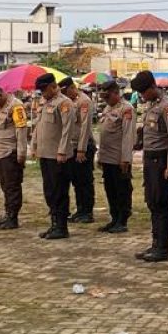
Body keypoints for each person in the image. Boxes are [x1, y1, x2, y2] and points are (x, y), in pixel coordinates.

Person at [132, 70, 168, 262]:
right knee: (152, 202)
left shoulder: (167, 108)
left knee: (161, 204)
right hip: (150, 160)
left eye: (144, 92)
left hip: (161, 161)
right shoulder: (152, 106)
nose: (142, 96)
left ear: (153, 87)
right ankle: (155, 243)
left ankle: (162, 247)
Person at [30, 73, 76, 240]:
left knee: (59, 191)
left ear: (52, 86)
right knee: (49, 191)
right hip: (45, 154)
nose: (42, 94)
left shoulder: (64, 103)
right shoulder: (44, 102)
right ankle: (54, 223)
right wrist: (34, 145)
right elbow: (38, 126)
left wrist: (62, 151)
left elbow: (67, 129)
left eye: (44, 90)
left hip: (58, 156)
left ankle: (61, 227)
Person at [0, 82, 28, 229]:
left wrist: (21, 153)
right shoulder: (1, 107)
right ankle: (8, 213)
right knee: (4, 184)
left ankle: (13, 217)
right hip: (0, 152)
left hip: (11, 153)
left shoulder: (16, 106)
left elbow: (21, 130)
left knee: (12, 186)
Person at [95, 78, 136, 234]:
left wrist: (125, 158)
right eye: (103, 97)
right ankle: (114, 218)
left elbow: (128, 135)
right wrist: (100, 156)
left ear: (115, 93)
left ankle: (122, 220)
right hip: (107, 157)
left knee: (122, 190)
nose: (105, 100)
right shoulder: (108, 108)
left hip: (119, 158)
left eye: (107, 96)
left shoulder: (126, 109)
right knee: (110, 190)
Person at [60, 77, 97, 225]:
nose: (64, 95)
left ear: (71, 88)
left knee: (85, 181)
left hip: (84, 147)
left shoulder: (84, 101)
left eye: (65, 91)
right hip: (72, 147)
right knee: (76, 181)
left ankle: (87, 212)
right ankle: (80, 210)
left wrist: (82, 149)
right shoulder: (69, 102)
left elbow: (85, 128)